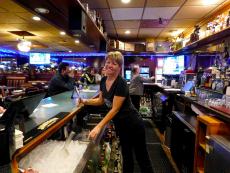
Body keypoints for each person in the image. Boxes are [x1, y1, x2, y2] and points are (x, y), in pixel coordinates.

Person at [77, 51, 153, 173]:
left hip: (133, 123)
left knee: (141, 156)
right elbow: (101, 101)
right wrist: (85, 101)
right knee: (126, 155)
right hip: (121, 124)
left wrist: (98, 126)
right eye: (108, 62)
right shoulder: (103, 81)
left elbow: (115, 109)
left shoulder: (121, 83)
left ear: (120, 67)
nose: (109, 65)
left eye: (114, 63)